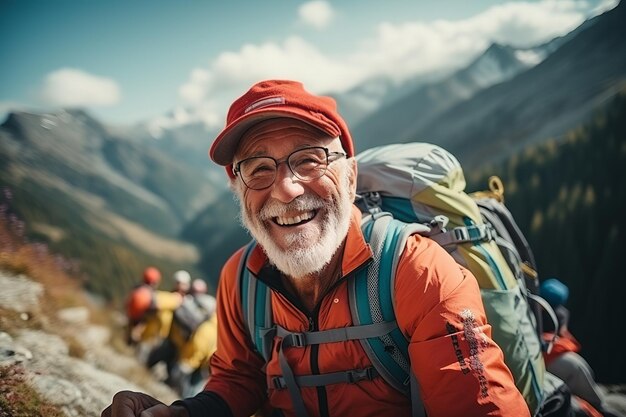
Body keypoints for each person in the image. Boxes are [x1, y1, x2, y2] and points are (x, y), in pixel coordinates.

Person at [102, 79, 529, 417]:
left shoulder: (417, 273)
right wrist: (185, 412)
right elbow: (240, 378)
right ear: (237, 187)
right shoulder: (241, 279)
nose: (285, 190)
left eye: (309, 159)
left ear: (349, 176)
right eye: (258, 168)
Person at [541, 278, 624, 417]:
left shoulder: (531, 306)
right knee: (596, 401)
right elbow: (562, 334)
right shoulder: (562, 314)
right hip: (561, 360)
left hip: (546, 358)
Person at [126, 266, 184, 365]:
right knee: (142, 357)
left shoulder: (139, 290)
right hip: (153, 335)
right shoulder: (168, 298)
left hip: (138, 326)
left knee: (136, 351)